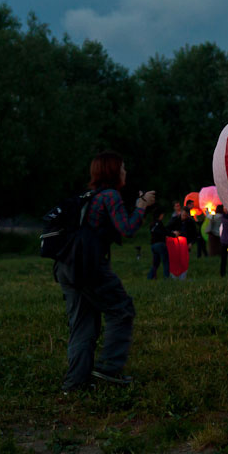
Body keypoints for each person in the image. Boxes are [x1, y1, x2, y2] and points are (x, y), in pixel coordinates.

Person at [56, 151, 155, 391]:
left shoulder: (87, 196)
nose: (125, 172)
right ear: (112, 171)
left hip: (66, 264)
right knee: (121, 310)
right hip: (89, 266)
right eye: (122, 168)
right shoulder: (110, 196)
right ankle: (108, 370)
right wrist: (142, 205)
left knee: (83, 323)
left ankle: (76, 383)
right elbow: (127, 228)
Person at [147, 210, 170, 279]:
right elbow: (164, 231)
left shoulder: (152, 224)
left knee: (155, 263)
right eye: (162, 215)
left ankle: (150, 277)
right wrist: (173, 235)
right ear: (160, 215)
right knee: (165, 262)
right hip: (160, 244)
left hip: (153, 245)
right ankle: (166, 277)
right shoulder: (159, 223)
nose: (163, 216)